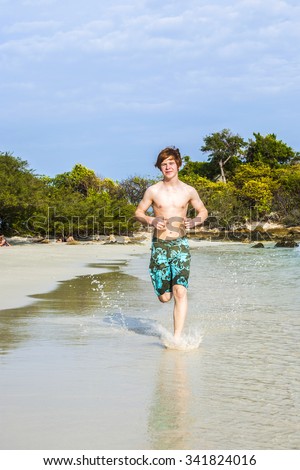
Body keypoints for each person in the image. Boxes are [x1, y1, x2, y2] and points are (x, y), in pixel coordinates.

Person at [135, 147, 208, 339]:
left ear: (178, 164)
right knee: (165, 297)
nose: (167, 167)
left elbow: (203, 211)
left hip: (180, 245)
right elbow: (138, 212)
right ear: (160, 167)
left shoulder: (189, 190)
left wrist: (194, 221)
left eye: (170, 163)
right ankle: (159, 285)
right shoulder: (153, 190)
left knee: (180, 291)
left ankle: (176, 337)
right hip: (160, 246)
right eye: (163, 163)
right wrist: (150, 220)